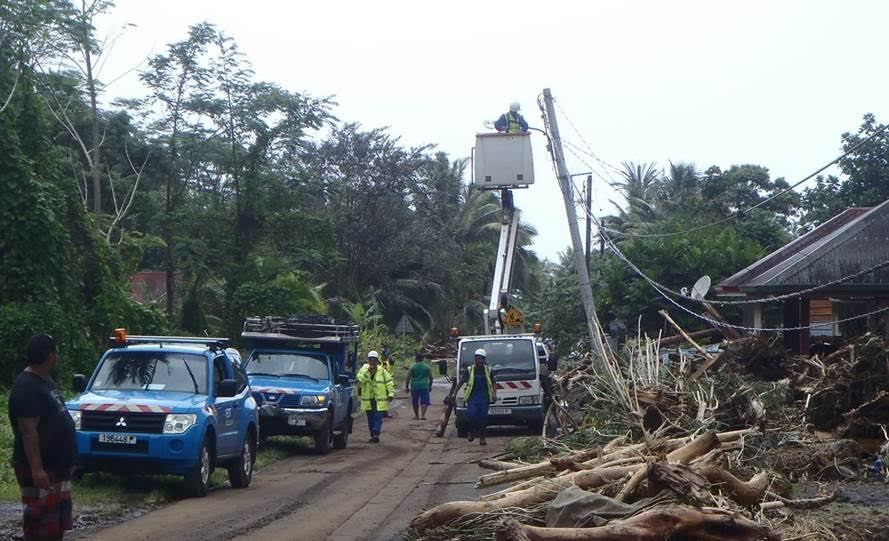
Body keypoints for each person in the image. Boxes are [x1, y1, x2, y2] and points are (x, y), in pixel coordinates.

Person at [8, 334, 77, 541]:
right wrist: (37, 469)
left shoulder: (45, 381)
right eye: (55, 352)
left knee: (55, 527)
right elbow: (28, 430)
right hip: (42, 468)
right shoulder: (26, 386)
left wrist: (69, 460)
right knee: (40, 524)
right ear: (50, 356)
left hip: (56, 466)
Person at [457, 349, 496, 446]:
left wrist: (494, 394)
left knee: (483, 418)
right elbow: (461, 381)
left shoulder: (488, 370)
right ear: (475, 359)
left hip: (484, 397)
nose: (479, 361)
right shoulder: (469, 370)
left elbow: (494, 383)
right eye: (477, 359)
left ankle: (482, 437)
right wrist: (454, 392)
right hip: (473, 397)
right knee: (471, 415)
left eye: (481, 359)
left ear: (484, 360)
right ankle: (472, 431)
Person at [356, 351, 395, 443]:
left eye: (374, 360)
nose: (372, 361)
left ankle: (376, 433)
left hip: (379, 400)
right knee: (370, 418)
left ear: (377, 361)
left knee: (378, 417)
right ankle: (372, 434)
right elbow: (361, 379)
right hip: (368, 400)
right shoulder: (364, 369)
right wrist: (368, 372)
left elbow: (389, 382)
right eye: (371, 359)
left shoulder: (382, 371)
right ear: (368, 360)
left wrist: (391, 394)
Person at [404, 354, 433, 420]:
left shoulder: (413, 367)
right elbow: (431, 377)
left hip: (415, 386)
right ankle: (423, 415)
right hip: (424, 386)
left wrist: (407, 386)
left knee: (415, 401)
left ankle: (416, 416)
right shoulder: (427, 366)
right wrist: (430, 386)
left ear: (416, 359)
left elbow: (408, 377)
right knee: (424, 401)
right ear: (422, 359)